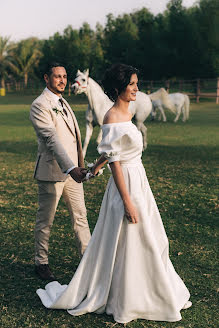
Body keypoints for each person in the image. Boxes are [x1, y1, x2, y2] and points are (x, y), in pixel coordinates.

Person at [36, 63, 192, 324]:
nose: (137, 89)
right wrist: (127, 201)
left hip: (139, 180)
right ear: (119, 87)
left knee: (151, 237)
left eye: (136, 84)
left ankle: (150, 289)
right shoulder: (110, 117)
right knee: (128, 234)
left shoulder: (128, 113)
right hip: (125, 185)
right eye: (132, 84)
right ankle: (123, 295)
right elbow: (116, 162)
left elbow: (109, 154)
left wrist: (95, 167)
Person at [30, 62, 91, 281]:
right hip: (52, 171)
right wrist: (71, 167)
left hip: (73, 172)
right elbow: (52, 139)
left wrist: (79, 165)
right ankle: (41, 262)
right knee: (46, 220)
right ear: (47, 78)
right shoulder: (40, 105)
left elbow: (73, 137)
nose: (62, 80)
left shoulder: (63, 102)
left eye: (64, 76)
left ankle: (88, 258)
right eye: (57, 76)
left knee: (80, 216)